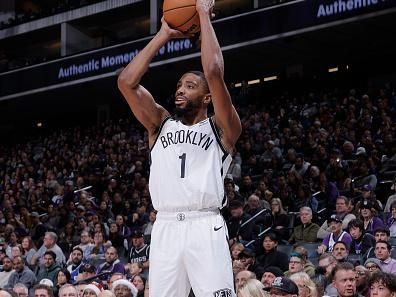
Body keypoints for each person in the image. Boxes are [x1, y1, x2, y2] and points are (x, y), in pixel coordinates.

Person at [117, 0, 242, 296]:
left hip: (205, 224)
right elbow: (126, 82)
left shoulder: (222, 128)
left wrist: (201, 14)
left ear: (208, 97)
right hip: (165, 226)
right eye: (178, 86)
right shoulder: (160, 123)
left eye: (189, 85)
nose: (180, 90)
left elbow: (212, 70)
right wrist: (163, 35)